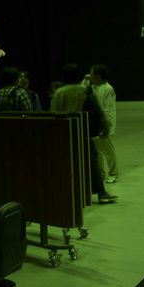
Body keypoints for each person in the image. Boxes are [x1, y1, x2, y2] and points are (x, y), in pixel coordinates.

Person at [50, 63, 118, 204]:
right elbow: (99, 110)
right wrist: (105, 127)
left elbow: (53, 114)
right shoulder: (86, 90)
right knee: (92, 162)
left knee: (67, 164)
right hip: (83, 132)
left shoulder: (59, 92)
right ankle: (101, 193)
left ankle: (68, 194)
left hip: (64, 134)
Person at [89, 64, 120, 183]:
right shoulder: (93, 88)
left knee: (108, 152)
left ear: (97, 76)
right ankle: (100, 174)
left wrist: (106, 125)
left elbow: (109, 109)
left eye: (91, 74)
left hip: (104, 125)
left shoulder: (108, 89)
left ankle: (114, 173)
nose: (90, 77)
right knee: (97, 153)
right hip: (96, 125)